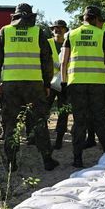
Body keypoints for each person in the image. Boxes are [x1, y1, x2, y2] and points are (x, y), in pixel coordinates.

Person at [0, 3, 59, 171]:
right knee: (39, 121)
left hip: (11, 85)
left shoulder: (4, 31)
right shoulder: (39, 33)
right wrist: (47, 83)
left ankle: (12, 163)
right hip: (34, 85)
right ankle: (47, 160)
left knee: (11, 124)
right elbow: (47, 61)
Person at [61, 5, 105, 168]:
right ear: (94, 19)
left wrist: (64, 83)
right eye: (99, 20)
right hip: (98, 84)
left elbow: (64, 62)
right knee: (99, 119)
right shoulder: (103, 35)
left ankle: (77, 158)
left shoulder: (71, 35)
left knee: (79, 121)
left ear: (84, 19)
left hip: (76, 83)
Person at [47, 19, 71, 150]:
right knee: (44, 110)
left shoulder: (70, 43)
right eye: (55, 28)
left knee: (63, 112)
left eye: (61, 28)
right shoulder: (47, 43)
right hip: (49, 83)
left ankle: (59, 140)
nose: (58, 29)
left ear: (65, 30)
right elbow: (42, 59)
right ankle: (42, 137)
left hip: (64, 82)